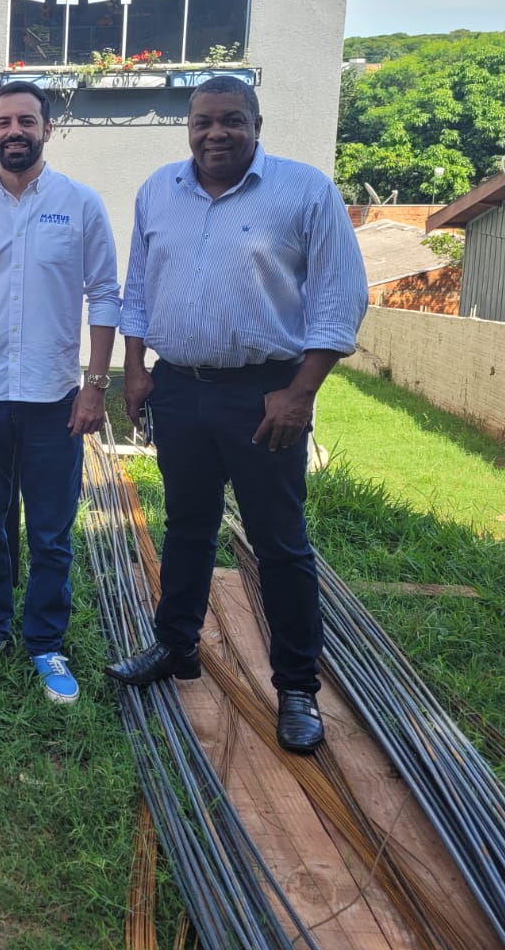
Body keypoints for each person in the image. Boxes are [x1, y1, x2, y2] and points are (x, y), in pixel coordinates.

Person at [105, 77, 368, 753]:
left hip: (265, 394)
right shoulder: (159, 190)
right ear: (188, 127)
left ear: (257, 124)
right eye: (203, 122)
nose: (215, 134)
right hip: (179, 388)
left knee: (278, 542)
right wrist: (135, 368)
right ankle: (176, 646)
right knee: (186, 525)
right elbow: (138, 290)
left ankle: (297, 688)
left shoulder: (304, 191)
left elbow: (340, 296)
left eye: (231, 120)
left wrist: (300, 392)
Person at [0, 81, 121, 704]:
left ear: (47, 129)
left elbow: (105, 294)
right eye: (4, 121)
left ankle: (45, 641)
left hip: (53, 399)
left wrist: (95, 386)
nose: (15, 131)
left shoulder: (81, 204)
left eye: (26, 121)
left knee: (50, 531)